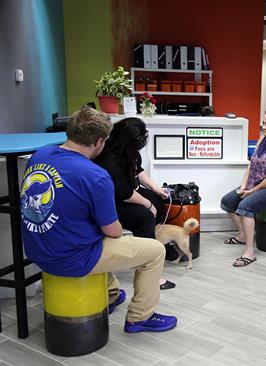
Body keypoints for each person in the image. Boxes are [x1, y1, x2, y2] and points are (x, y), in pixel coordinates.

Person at [20, 107, 177, 333]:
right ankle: (140, 317)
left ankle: (111, 294)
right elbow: (113, 231)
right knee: (154, 251)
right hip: (69, 258)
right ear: (100, 141)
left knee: (95, 233)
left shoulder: (40, 155)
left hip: (36, 251)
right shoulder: (95, 176)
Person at [93, 117, 176, 290]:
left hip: (128, 193)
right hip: (112, 201)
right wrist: (147, 205)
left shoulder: (128, 151)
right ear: (127, 140)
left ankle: (157, 246)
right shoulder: (108, 159)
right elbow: (123, 193)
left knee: (159, 202)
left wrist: (156, 189)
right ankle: (148, 268)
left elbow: (138, 170)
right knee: (144, 216)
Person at [220, 105, 266, 267]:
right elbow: (252, 164)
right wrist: (243, 186)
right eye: (263, 123)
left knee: (245, 207)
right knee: (227, 201)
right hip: (256, 184)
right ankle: (242, 236)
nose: (263, 127)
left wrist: (252, 191)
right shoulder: (263, 138)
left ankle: (249, 252)